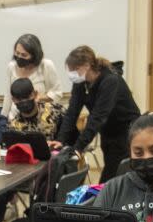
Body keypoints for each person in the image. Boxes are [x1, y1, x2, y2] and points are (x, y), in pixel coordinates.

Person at [0, 78, 67, 222]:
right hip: (24, 171)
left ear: (34, 95)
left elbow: (70, 137)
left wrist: (60, 143)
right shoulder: (15, 124)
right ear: (13, 101)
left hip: (53, 171)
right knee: (2, 184)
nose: (22, 103)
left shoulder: (55, 112)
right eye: (18, 101)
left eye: (26, 98)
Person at [56, 45, 141, 183]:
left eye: (76, 69)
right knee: (113, 178)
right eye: (70, 70)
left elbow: (98, 117)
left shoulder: (111, 80)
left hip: (127, 132)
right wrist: (60, 140)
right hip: (108, 133)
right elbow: (72, 113)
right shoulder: (80, 83)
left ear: (88, 65)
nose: (72, 73)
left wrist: (78, 148)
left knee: (111, 181)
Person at [1, 34, 62, 119]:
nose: (19, 57)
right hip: (15, 119)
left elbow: (57, 93)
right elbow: (8, 96)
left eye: (24, 55)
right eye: (17, 53)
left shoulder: (46, 65)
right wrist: (3, 117)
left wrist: (37, 98)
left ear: (34, 55)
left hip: (41, 118)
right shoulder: (11, 67)